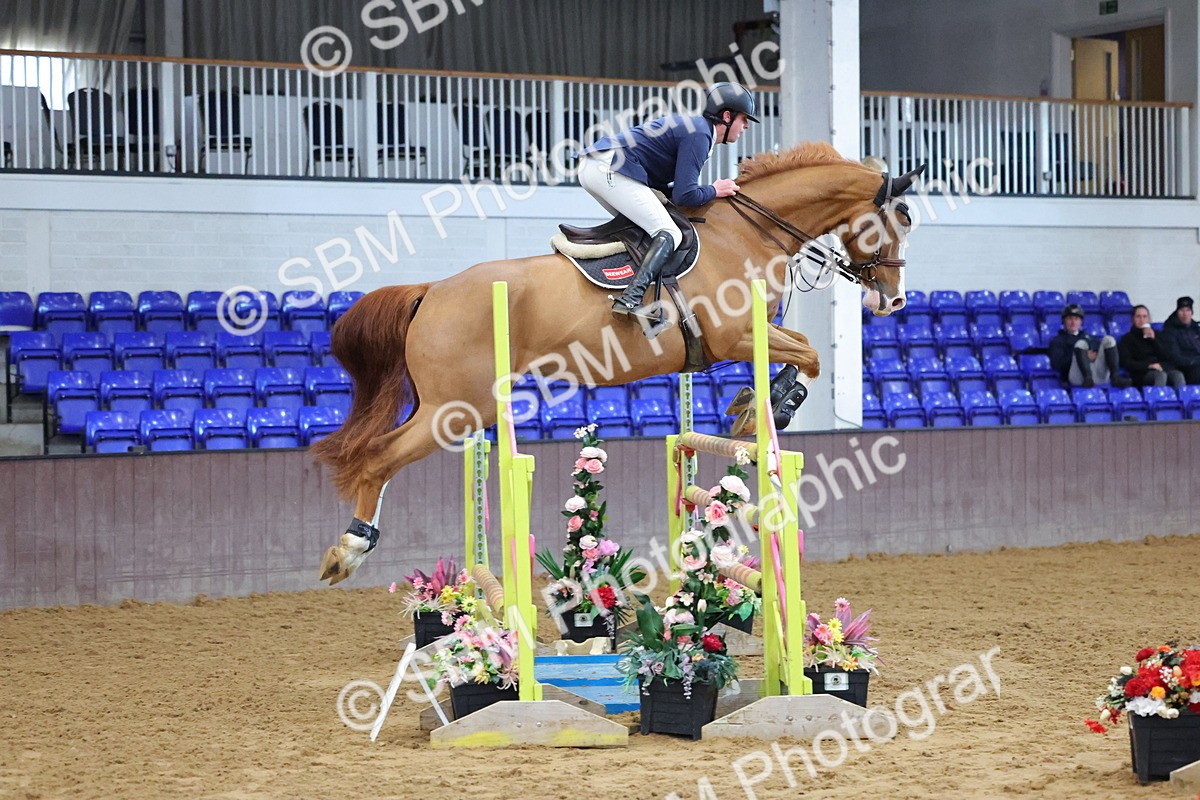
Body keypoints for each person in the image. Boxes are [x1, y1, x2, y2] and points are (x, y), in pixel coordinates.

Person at [577, 82, 757, 324]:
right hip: (610, 167)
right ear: (727, 116)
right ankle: (630, 298)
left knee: (647, 229)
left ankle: (622, 287)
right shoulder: (701, 134)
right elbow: (685, 195)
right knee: (670, 232)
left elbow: (674, 192)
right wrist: (715, 189)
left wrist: (708, 192)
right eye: (744, 119)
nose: (746, 126)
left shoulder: (698, 130)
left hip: (599, 166)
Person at [1048, 303, 1131, 388]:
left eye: (1076, 319)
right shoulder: (1057, 340)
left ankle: (1115, 377)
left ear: (1081, 321)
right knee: (1081, 344)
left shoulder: (1089, 337)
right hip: (1076, 377)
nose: (1073, 322)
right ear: (1064, 321)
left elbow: (1099, 355)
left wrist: (1092, 356)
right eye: (1070, 319)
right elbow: (1057, 364)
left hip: (1096, 373)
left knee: (1109, 340)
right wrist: (1082, 356)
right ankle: (1087, 378)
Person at [1118, 305, 1185, 390]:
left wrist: (1154, 340)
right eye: (1138, 316)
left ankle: (1182, 398)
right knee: (1160, 376)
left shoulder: (1157, 335)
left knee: (1178, 375)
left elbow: (1167, 356)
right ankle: (1157, 398)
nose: (1142, 320)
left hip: (1161, 368)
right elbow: (1126, 362)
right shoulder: (1127, 339)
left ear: (1149, 319)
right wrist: (1149, 366)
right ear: (1133, 319)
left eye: (1144, 316)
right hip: (1142, 372)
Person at [1160, 296, 1200, 384]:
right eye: (1182, 310)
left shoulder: (1196, 329)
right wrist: (1195, 361)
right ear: (1177, 312)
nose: (1185, 314)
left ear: (1192, 313)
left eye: (1188, 310)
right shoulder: (1170, 330)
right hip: (1183, 368)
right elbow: (1176, 358)